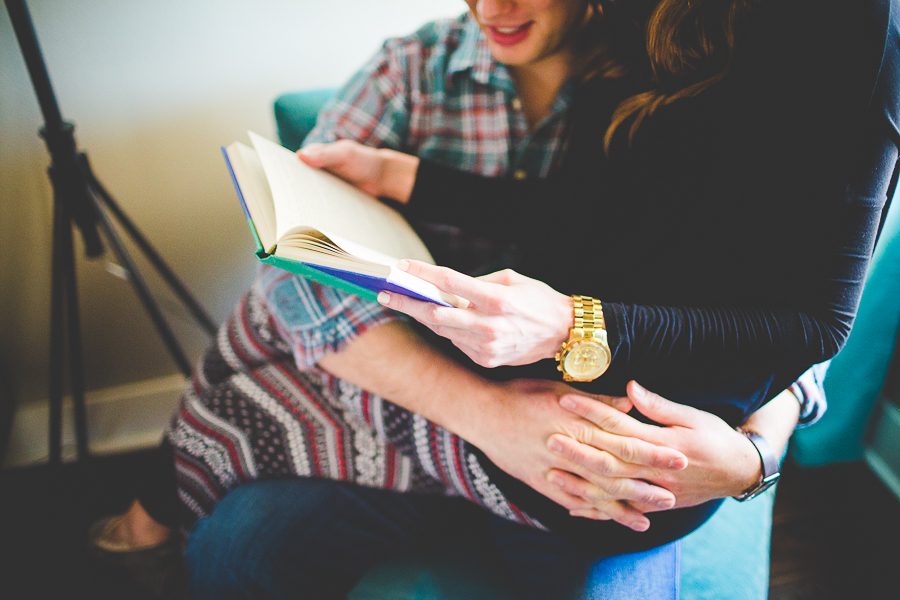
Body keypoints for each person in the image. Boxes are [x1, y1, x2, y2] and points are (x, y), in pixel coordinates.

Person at [99, 0, 895, 596]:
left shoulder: (825, 33)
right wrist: (409, 179)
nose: (498, 7)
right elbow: (604, 214)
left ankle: (155, 508)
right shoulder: (628, 33)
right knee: (264, 331)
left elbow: (806, 316)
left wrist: (756, 451)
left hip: (604, 431)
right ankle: (161, 506)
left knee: (230, 403)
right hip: (513, 394)